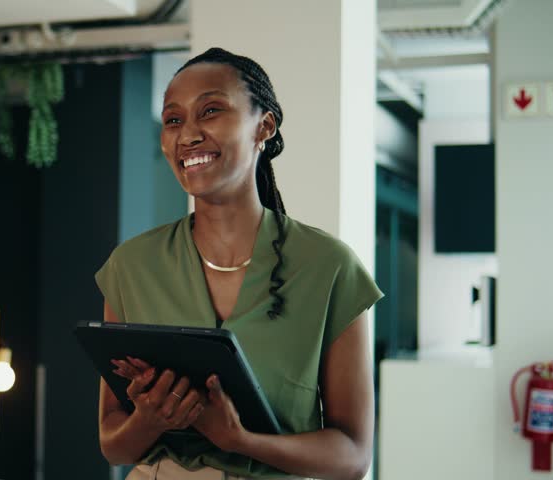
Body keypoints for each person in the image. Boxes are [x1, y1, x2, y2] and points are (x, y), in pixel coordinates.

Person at [94, 47, 383, 480]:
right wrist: (151, 418)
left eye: (210, 111)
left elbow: (353, 457)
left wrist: (240, 440)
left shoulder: (329, 267)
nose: (187, 134)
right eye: (173, 120)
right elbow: (112, 444)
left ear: (264, 126)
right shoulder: (132, 266)